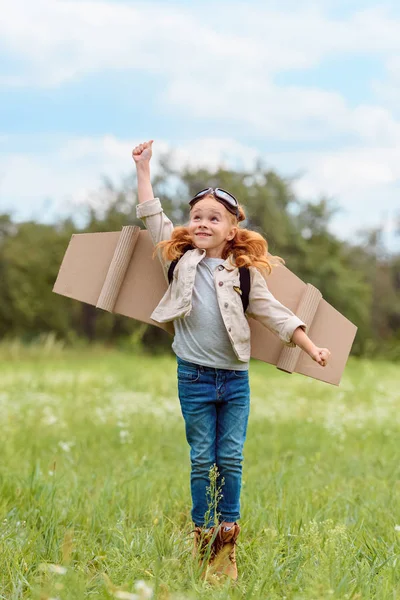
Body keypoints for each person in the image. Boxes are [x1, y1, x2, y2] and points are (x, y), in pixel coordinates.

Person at [132, 139, 331, 581]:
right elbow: (151, 217)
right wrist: (144, 170)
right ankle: (203, 539)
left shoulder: (242, 273)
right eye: (197, 216)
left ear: (231, 230)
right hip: (194, 377)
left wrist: (310, 345)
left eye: (213, 218)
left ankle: (227, 540)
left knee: (232, 459)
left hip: (234, 381)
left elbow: (275, 314)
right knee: (202, 459)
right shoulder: (180, 260)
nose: (202, 223)